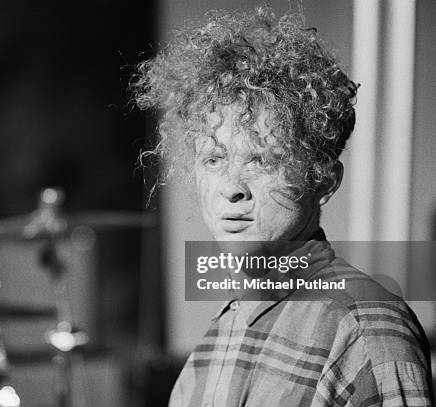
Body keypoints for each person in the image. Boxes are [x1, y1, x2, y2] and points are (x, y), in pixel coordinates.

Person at [132, 6, 434, 406]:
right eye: (214, 159)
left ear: (323, 181)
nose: (232, 188)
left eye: (262, 160)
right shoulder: (219, 335)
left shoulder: (366, 326)